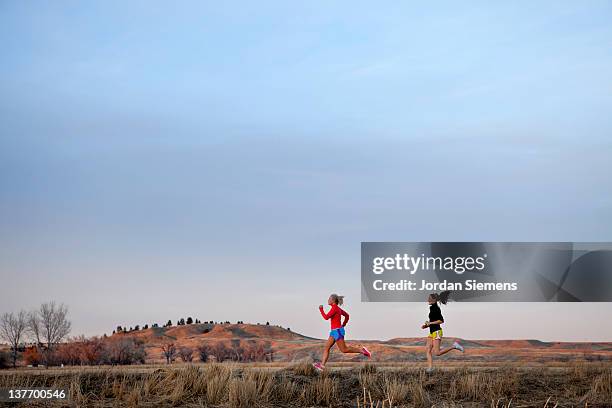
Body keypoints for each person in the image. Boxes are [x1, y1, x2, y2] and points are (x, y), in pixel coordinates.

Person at [313, 293, 371, 371]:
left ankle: (362, 351)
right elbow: (347, 315)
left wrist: (321, 310)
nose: (328, 300)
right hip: (334, 332)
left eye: (329, 298)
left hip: (337, 332)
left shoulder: (335, 308)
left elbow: (326, 317)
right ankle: (322, 366)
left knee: (344, 349)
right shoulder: (337, 309)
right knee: (327, 347)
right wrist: (344, 324)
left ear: (333, 300)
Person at [422, 290, 464, 372]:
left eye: (429, 298)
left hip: (437, 332)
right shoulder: (432, 308)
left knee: (437, 353)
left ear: (434, 300)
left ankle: (454, 346)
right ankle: (430, 368)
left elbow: (441, 321)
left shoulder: (436, 309)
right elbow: (434, 322)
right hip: (432, 332)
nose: (428, 300)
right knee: (428, 349)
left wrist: (430, 323)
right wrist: (427, 325)